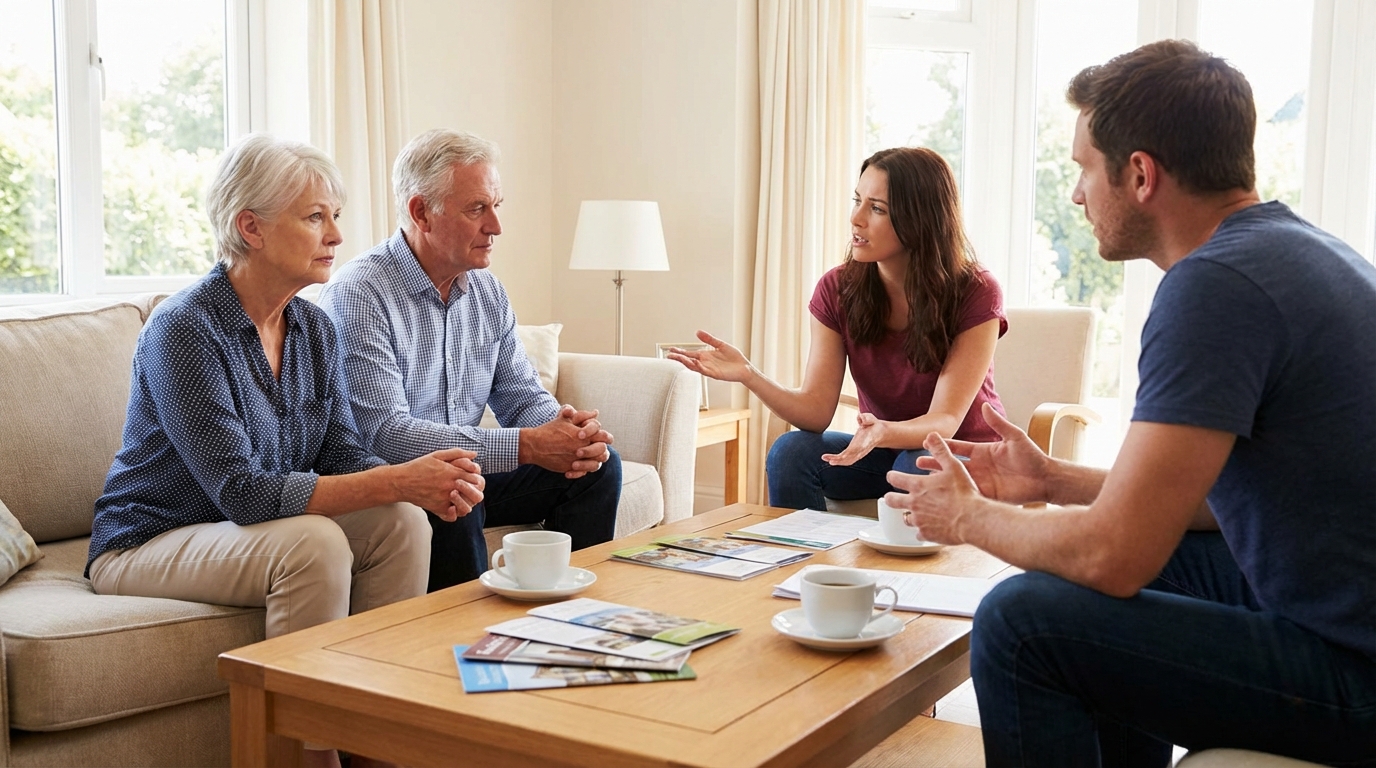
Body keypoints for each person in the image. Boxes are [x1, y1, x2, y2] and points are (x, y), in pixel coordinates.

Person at [891, 40, 1376, 766]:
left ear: (1141, 175)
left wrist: (966, 517)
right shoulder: (1295, 252)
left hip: (1353, 674)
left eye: (1085, 168)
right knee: (1100, 572)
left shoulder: (1215, 288)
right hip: (1340, 613)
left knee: (1023, 622)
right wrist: (1054, 479)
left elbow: (1113, 557)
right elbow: (1222, 499)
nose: (1077, 194)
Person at [88, 134, 485, 768]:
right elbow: (243, 494)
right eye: (315, 217)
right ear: (251, 228)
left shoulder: (313, 327)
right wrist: (397, 479)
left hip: (246, 531)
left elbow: (344, 452)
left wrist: (416, 484)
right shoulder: (184, 329)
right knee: (315, 542)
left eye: (336, 216)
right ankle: (309, 758)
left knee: (404, 523)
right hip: (148, 539)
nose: (336, 235)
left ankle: (377, 743)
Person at [319, 129, 619, 591]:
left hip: (466, 473)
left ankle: (571, 610)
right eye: (477, 208)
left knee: (597, 468)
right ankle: (466, 632)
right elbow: (387, 435)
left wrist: (569, 434)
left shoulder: (486, 290)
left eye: (496, 205)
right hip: (396, 484)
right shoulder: (360, 294)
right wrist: (529, 446)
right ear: (421, 212)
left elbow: (522, 397)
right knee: (454, 490)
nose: (496, 226)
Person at [669, 147, 1007, 510]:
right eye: (857, 201)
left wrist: (883, 432)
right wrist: (748, 374)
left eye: (877, 209)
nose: (856, 219)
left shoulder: (976, 290)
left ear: (920, 219)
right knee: (791, 452)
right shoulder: (837, 289)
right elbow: (816, 412)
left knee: (918, 463)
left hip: (963, 455)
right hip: (883, 449)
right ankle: (802, 547)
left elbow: (945, 421)